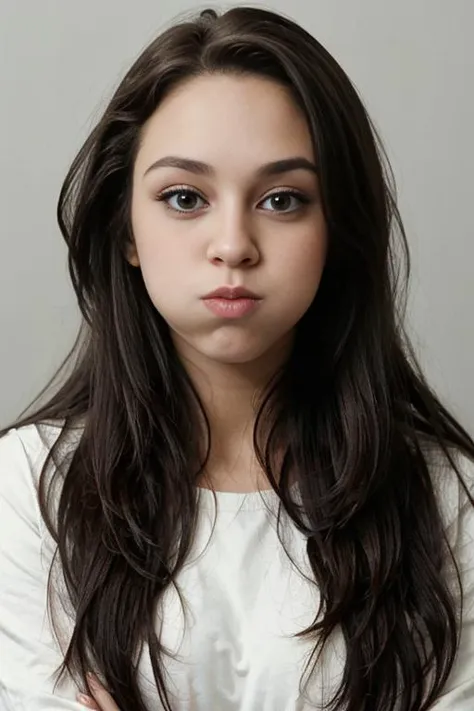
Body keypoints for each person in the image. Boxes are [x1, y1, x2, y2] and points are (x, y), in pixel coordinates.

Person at [0, 5, 473, 711]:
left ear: (337, 228)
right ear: (125, 226)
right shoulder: (28, 492)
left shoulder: (446, 500)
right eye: (184, 197)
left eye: (282, 199)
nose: (233, 244)